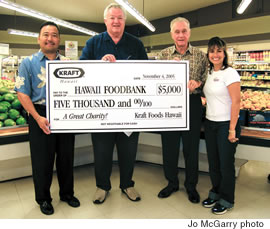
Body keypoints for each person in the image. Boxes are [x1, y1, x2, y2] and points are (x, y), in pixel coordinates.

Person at [80, 3, 148, 204]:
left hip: (130, 110)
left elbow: (147, 74)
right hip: (102, 111)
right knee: (102, 151)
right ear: (105, 21)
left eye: (120, 17)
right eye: (112, 18)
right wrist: (98, 66)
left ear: (124, 21)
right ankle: (102, 187)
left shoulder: (136, 44)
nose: (116, 21)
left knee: (128, 150)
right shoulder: (93, 43)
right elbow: (81, 71)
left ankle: (127, 184)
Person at [15, 21, 80, 215]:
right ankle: (43, 198)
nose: (49, 38)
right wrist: (36, 117)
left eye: (53, 35)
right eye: (45, 34)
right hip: (39, 115)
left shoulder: (68, 63)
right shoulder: (27, 63)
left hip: (64, 114)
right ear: (39, 39)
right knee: (42, 161)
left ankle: (67, 194)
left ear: (59, 40)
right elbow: (21, 92)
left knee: (66, 157)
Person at [156, 17, 207, 203]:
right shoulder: (163, 56)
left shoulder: (200, 55)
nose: (180, 35)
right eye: (177, 32)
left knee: (191, 148)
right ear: (171, 34)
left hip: (192, 104)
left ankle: (191, 186)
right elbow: (156, 82)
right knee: (169, 147)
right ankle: (171, 183)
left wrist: (198, 84)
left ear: (189, 32)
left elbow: (205, 81)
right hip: (168, 105)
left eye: (184, 31)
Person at [202, 36, 241, 215]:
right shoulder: (209, 73)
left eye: (219, 51)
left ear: (224, 53)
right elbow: (210, 95)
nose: (215, 54)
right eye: (212, 51)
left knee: (226, 165)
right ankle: (216, 193)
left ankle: (227, 199)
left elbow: (236, 101)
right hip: (210, 123)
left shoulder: (230, 73)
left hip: (226, 124)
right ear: (208, 53)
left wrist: (232, 128)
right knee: (214, 164)